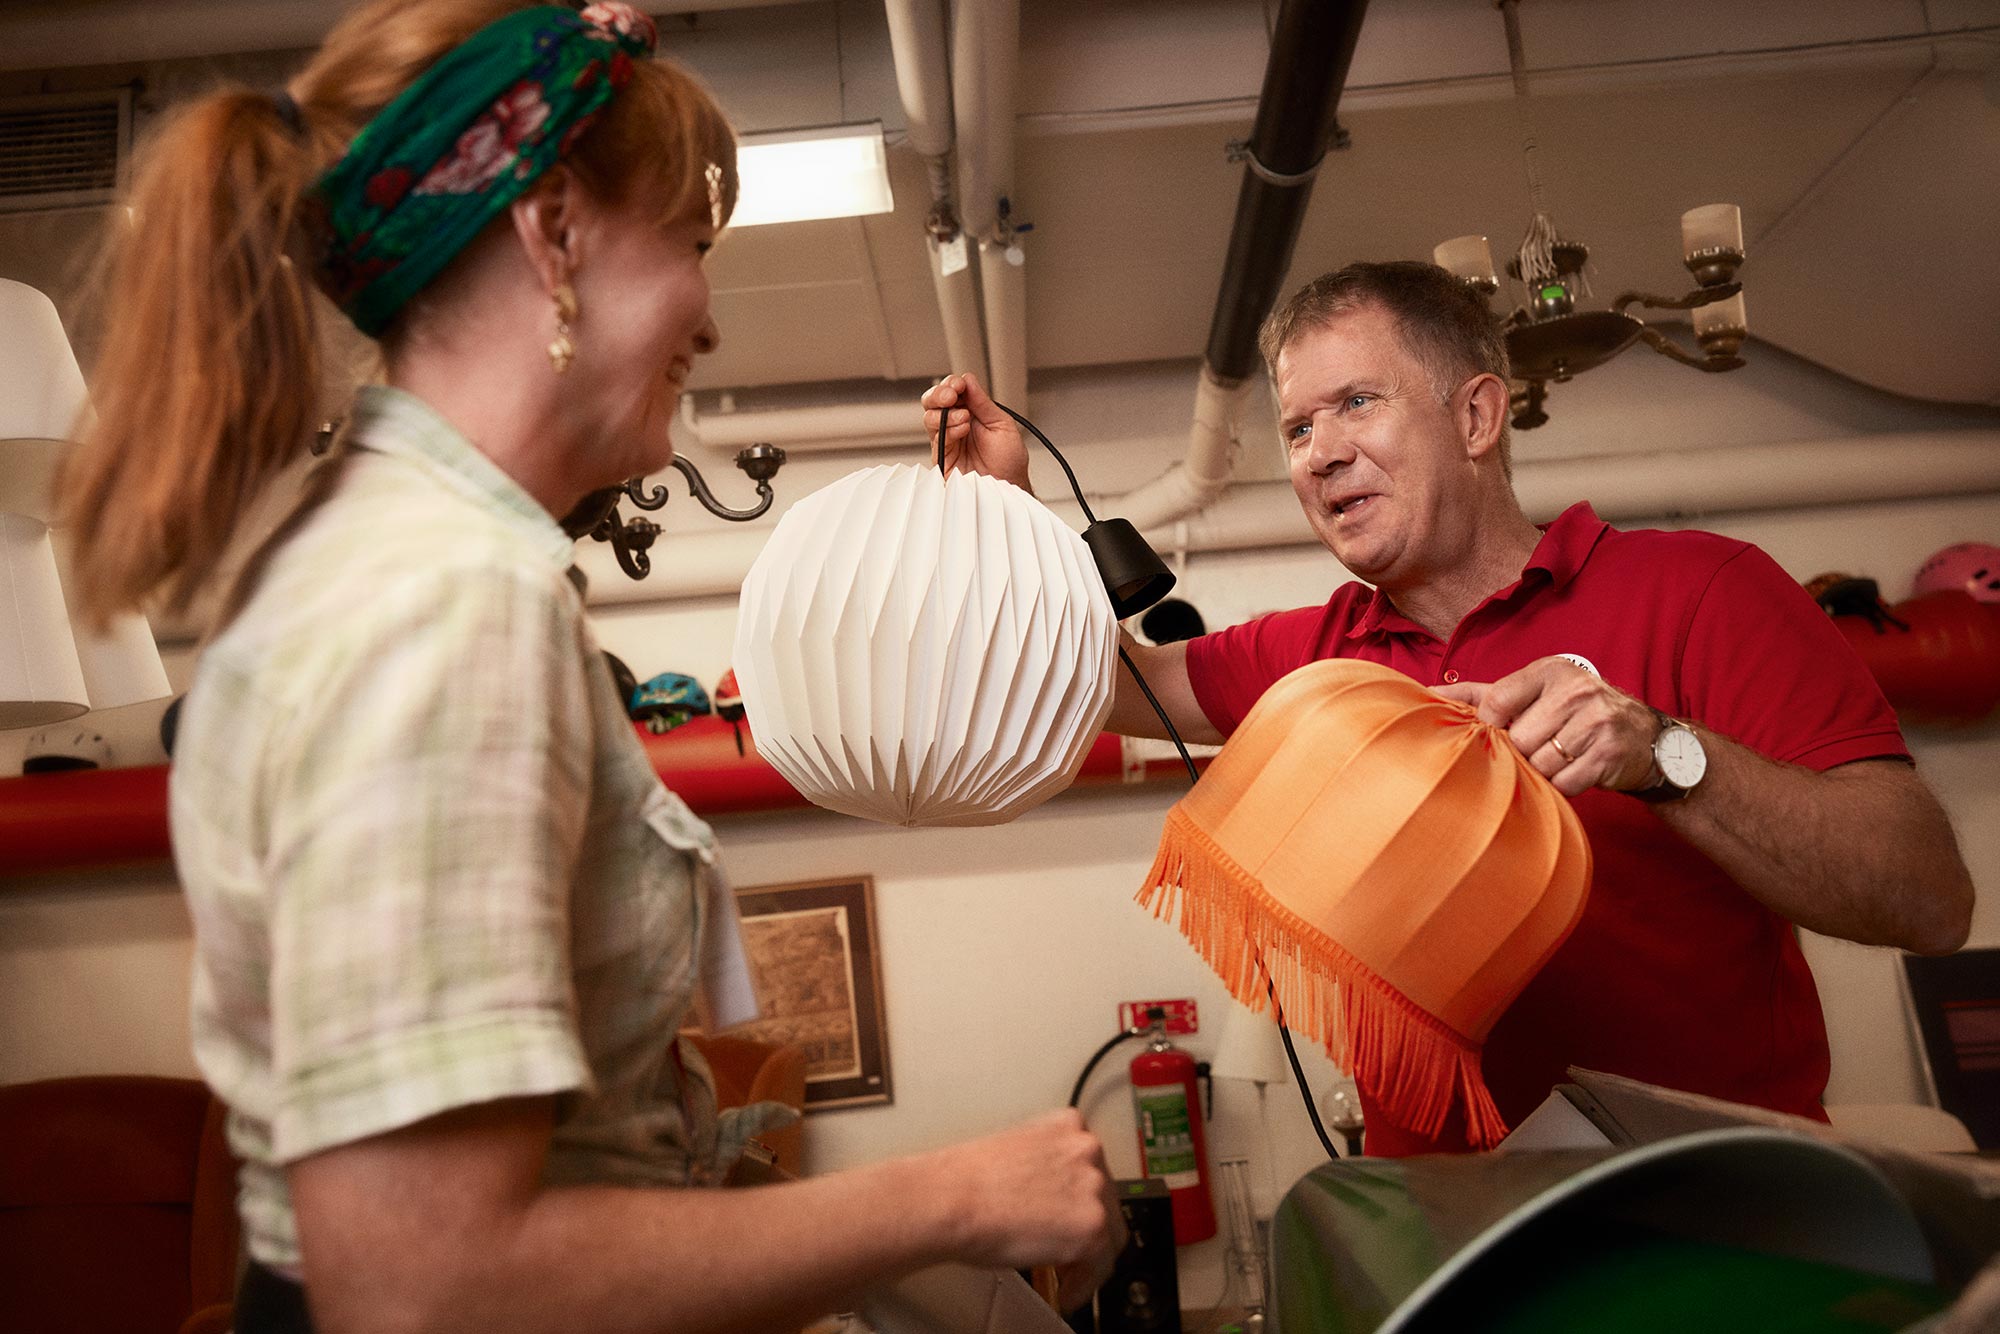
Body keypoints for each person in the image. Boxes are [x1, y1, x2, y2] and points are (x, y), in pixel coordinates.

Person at [58, 3, 1118, 1331]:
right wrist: (959, 1193)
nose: (709, 314)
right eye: (689, 245)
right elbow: (424, 1280)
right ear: (552, 234)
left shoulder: (393, 557)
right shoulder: (442, 606)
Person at [922, 260, 1975, 1156]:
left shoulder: (1702, 588)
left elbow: (1926, 901)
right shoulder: (1315, 653)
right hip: (1455, 1234)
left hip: (1719, 1221)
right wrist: (1004, 511)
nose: (1318, 452)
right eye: (1294, 425)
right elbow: (1103, 679)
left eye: (1354, 404)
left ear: (1475, 414)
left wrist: (1664, 754)